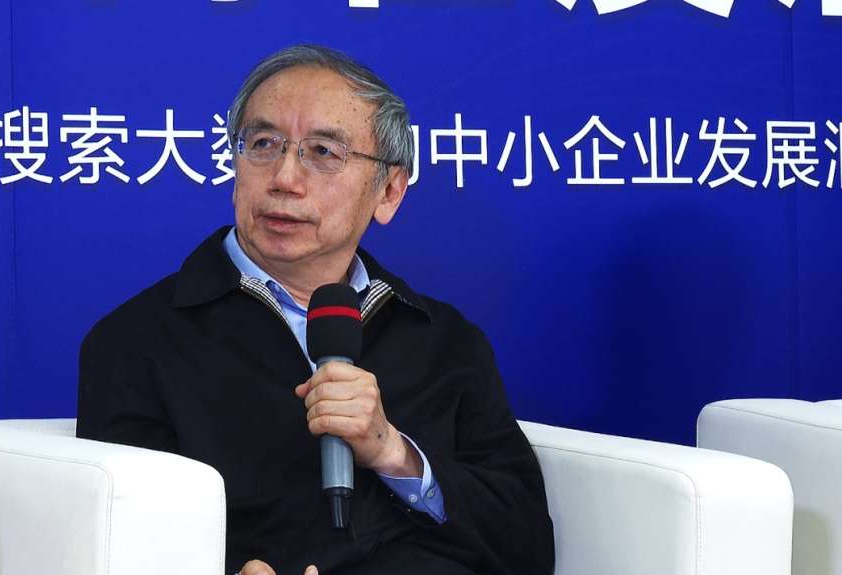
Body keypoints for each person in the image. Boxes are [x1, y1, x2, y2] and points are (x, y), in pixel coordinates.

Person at [77, 44, 554, 575]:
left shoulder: (445, 340)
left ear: (389, 192)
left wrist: (394, 453)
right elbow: (125, 539)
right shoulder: (136, 341)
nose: (284, 178)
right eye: (263, 144)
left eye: (323, 152)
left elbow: (527, 545)